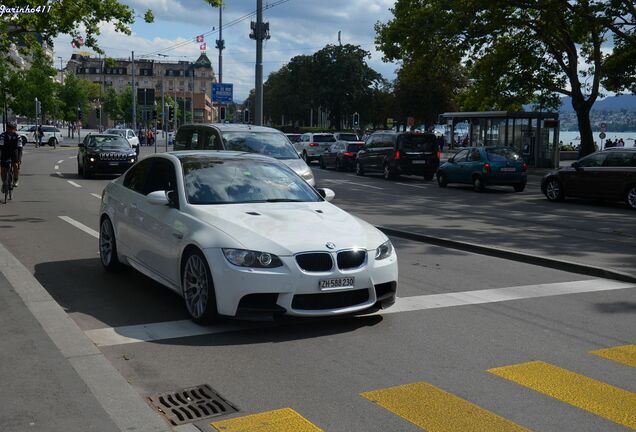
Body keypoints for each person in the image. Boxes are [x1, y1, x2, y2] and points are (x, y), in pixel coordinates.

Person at [1, 122, 22, 190]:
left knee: (15, 165)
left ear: (14, 129)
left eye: (12, 129)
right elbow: (0, 147)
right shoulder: (2, 135)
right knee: (3, 169)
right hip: (5, 152)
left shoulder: (17, 136)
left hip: (14, 152)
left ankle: (15, 180)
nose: (10, 130)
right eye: (9, 128)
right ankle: (4, 183)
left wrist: (19, 159)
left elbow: (20, 148)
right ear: (7, 128)